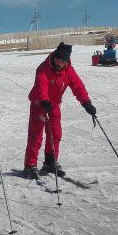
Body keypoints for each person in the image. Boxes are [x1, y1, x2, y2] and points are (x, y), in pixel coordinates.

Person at [23, 42, 95, 180]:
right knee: (36, 136)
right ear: (55, 56)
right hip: (40, 103)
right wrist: (44, 100)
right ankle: (30, 165)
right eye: (58, 59)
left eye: (63, 60)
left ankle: (50, 163)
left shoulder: (69, 70)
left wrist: (87, 103)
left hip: (54, 105)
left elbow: (78, 87)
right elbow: (41, 86)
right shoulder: (43, 68)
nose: (60, 62)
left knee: (55, 134)